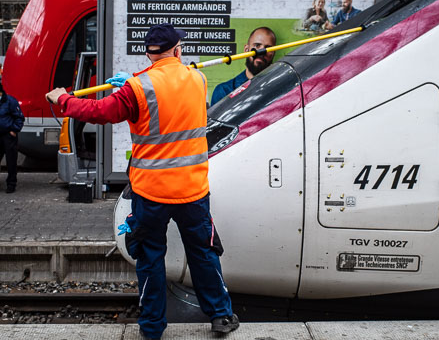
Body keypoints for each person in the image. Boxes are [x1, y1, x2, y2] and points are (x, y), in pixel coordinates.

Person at [45, 23, 238, 340]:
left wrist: (64, 99)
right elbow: (173, 98)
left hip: (151, 193)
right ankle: (220, 316)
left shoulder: (138, 88)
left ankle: (152, 328)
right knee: (203, 253)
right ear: (177, 50)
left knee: (150, 259)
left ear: (149, 54)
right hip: (192, 191)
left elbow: (99, 111)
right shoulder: (198, 79)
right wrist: (131, 86)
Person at [210, 27, 276, 106]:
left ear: (273, 54)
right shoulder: (224, 91)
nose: (261, 52)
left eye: (268, 48)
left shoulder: (280, 88)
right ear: (246, 49)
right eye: (257, 45)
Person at [0, 79, 24, 194]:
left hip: (8, 135)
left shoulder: (10, 101)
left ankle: (11, 184)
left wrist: (14, 130)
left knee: (11, 161)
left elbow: (19, 117)